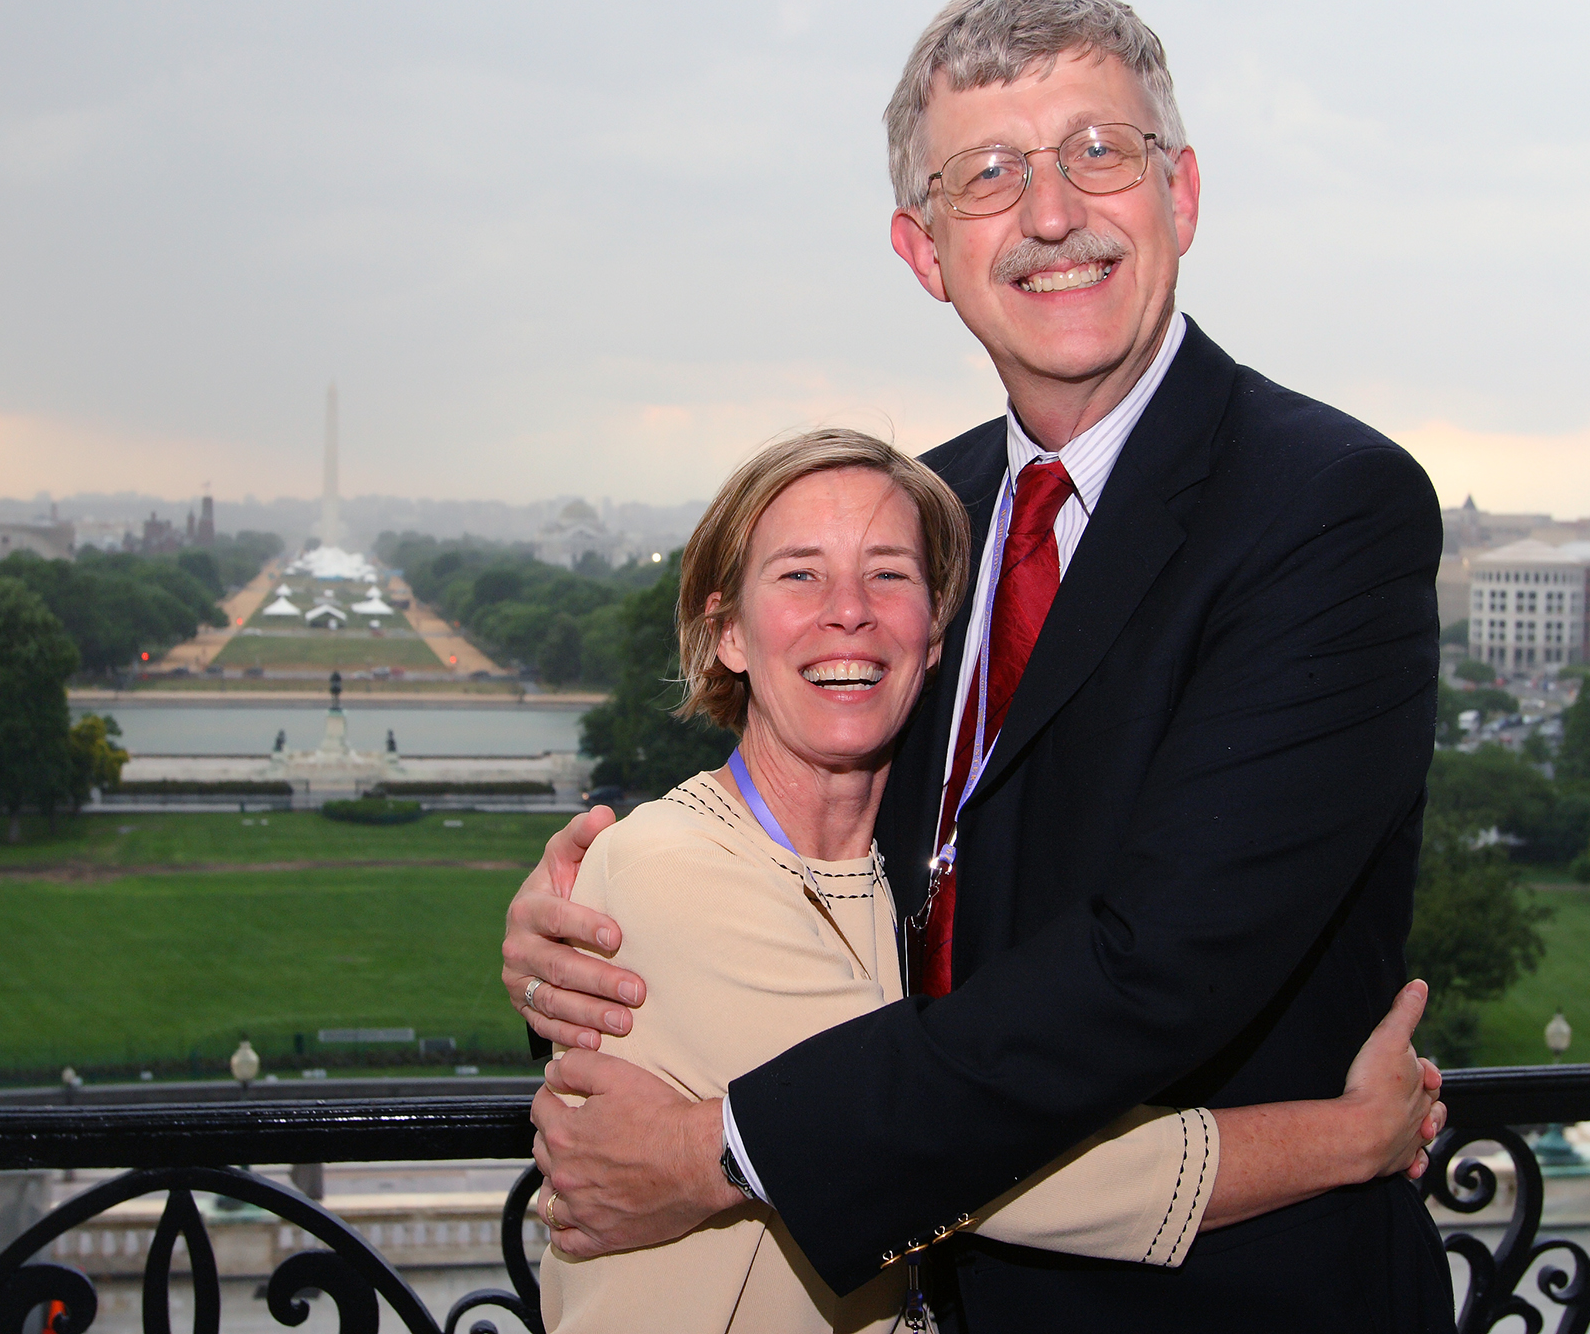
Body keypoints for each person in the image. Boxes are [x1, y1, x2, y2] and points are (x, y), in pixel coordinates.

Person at [507, 0, 1452, 1330]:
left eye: (1098, 152)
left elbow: (1160, 975)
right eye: (990, 174)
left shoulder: (1325, 507)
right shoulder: (916, 525)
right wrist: (588, 951)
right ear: (924, 250)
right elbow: (795, 878)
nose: (1053, 213)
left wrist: (728, 1153)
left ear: (1181, 196)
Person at [539, 427, 1443, 1332]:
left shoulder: (888, 870)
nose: (848, 610)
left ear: (938, 638)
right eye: (800, 574)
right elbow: (959, 1152)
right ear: (726, 630)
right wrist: (1350, 1138)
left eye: (889, 574)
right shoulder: (671, 868)